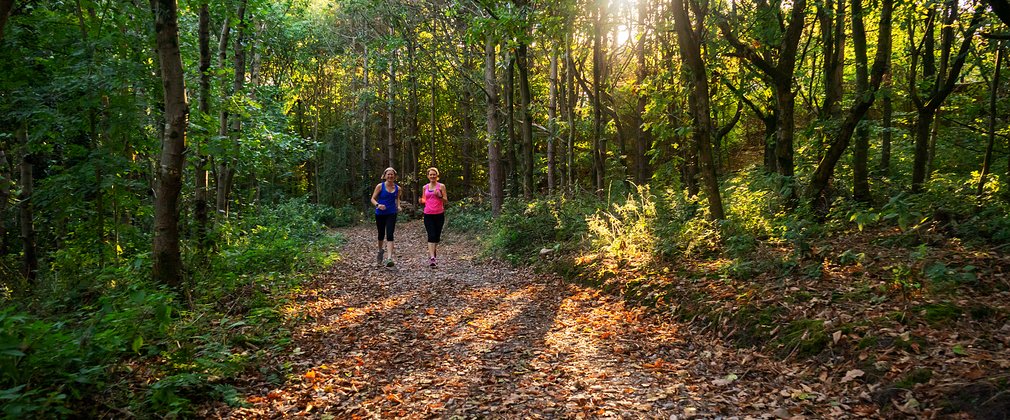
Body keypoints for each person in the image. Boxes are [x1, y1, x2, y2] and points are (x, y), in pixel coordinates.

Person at [371, 167, 402, 267]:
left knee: (390, 234)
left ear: (395, 176)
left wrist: (398, 206)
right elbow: (373, 199)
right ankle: (380, 251)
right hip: (380, 213)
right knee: (381, 234)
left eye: (392, 174)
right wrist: (378, 205)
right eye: (388, 174)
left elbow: (397, 199)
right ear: (384, 176)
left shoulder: (398, 188)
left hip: (391, 213)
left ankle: (389, 258)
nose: (390, 176)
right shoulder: (380, 186)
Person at [418, 167, 446, 268]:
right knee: (431, 235)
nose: (432, 176)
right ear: (428, 176)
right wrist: (421, 201)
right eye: (431, 174)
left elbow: (446, 200)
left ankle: (432, 253)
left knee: (436, 237)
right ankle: (432, 258)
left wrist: (439, 196)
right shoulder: (425, 187)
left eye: (434, 174)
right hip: (428, 214)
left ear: (437, 176)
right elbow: (424, 199)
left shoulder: (441, 186)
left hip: (439, 214)